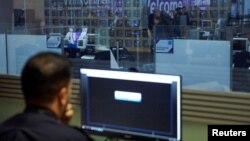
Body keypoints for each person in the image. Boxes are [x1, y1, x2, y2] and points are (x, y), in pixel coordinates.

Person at [0, 52, 93, 141]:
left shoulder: (5, 131)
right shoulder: (75, 138)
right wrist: (63, 128)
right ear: (63, 96)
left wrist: (59, 125)